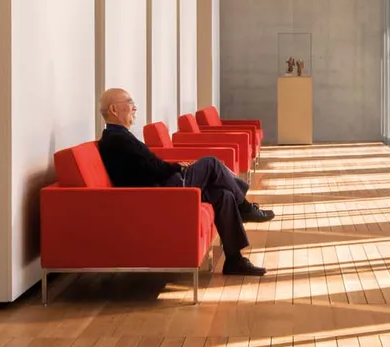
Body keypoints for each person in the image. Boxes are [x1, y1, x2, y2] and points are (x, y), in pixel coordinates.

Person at [96, 88, 273, 279]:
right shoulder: (117, 140)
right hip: (162, 192)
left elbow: (148, 165)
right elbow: (151, 168)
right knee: (211, 163)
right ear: (114, 109)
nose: (134, 107)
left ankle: (234, 260)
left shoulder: (120, 136)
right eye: (130, 102)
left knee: (224, 196)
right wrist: (177, 168)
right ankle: (245, 207)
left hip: (163, 185)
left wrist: (175, 166)